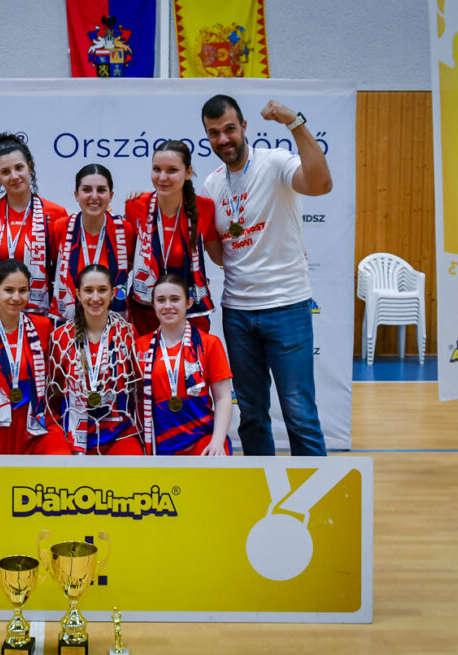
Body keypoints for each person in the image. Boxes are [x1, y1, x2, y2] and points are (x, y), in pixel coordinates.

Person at [199, 95, 332, 456]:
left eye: (230, 129)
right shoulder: (212, 184)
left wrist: (293, 121)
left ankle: (316, 490)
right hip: (238, 313)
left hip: (287, 306)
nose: (223, 139)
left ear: (244, 127)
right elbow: (220, 255)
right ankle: (262, 489)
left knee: (299, 413)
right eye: (214, 133)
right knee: (253, 415)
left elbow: (321, 184)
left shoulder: (274, 162)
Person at [0, 259, 70, 455]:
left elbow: (57, 379)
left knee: (60, 457)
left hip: (39, 424)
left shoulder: (43, 327)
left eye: (22, 290)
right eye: (9, 290)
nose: (16, 297)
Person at [49, 264, 143, 455]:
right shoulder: (61, 337)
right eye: (88, 290)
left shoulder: (127, 333)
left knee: (133, 465)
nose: (95, 297)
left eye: (102, 290)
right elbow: (54, 390)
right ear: (78, 294)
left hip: (119, 434)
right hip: (73, 435)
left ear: (112, 294)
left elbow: (138, 389)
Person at [136, 274, 233, 456]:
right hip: (157, 444)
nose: (167, 306)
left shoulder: (209, 343)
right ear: (153, 305)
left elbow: (223, 398)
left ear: (189, 303)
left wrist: (217, 441)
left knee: (215, 462)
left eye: (175, 299)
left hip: (202, 440)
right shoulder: (140, 346)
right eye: (161, 300)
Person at [125, 141, 215, 337]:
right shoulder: (135, 205)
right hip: (146, 311)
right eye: (157, 169)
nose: (162, 177)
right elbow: (128, 260)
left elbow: (220, 256)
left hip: (191, 309)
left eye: (172, 170)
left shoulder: (205, 207)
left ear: (188, 172)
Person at [0, 134, 67, 320]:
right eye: (6, 171)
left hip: (40, 316)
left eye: (19, 168)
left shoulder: (56, 214)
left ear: (30, 167)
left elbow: (62, 270)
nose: (14, 176)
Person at [48, 164, 135, 322]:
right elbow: (53, 270)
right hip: (67, 323)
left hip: (113, 325)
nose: (94, 196)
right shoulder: (61, 227)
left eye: (101, 190)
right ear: (76, 195)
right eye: (87, 190)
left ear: (111, 195)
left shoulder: (125, 230)